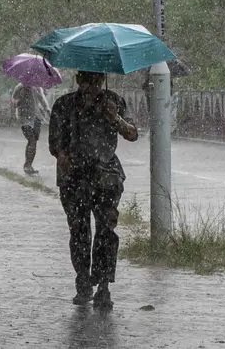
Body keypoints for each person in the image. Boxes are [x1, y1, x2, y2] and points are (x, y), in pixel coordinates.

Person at [47, 71, 139, 310]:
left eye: (98, 81)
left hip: (106, 176)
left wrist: (115, 118)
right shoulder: (64, 105)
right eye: (88, 81)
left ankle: (104, 286)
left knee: (106, 231)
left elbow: (132, 134)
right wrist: (65, 158)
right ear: (79, 80)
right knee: (79, 231)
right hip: (74, 179)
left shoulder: (114, 101)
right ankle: (83, 280)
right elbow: (55, 144)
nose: (93, 87)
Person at [14, 83, 50, 174]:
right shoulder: (20, 87)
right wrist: (20, 98)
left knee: (33, 142)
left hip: (36, 118)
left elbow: (42, 100)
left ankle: (29, 164)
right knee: (32, 140)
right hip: (24, 118)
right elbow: (14, 103)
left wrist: (48, 111)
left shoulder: (38, 87)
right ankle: (27, 165)